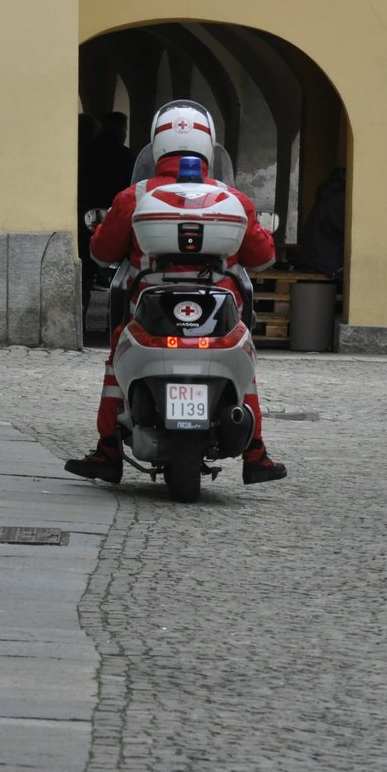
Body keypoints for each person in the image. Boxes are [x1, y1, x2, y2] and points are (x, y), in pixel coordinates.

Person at [65, 101, 289, 486]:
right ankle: (255, 453)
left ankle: (108, 450)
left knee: (117, 363)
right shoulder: (233, 199)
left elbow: (101, 252)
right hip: (218, 310)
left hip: (150, 307)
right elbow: (263, 256)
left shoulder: (133, 197)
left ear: (157, 144)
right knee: (243, 367)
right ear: (208, 144)